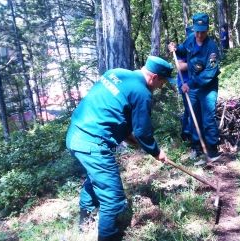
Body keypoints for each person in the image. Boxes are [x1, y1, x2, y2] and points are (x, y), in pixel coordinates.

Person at [66, 56, 173, 241]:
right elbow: (143, 132)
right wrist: (157, 152)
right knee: (113, 199)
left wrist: (134, 140)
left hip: (75, 135)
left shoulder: (116, 73)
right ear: (154, 77)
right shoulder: (143, 93)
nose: (161, 86)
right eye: (162, 82)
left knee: (96, 179)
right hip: (93, 143)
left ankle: (85, 226)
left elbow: (112, 111)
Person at [168, 13, 221, 164]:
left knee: (208, 117)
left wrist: (189, 84)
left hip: (207, 87)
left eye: (202, 31)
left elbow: (209, 73)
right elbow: (183, 50)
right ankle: (197, 147)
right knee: (193, 115)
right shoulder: (191, 39)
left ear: (207, 29)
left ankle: (211, 149)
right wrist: (175, 48)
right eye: (197, 31)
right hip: (192, 86)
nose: (199, 34)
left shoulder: (211, 48)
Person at [177, 26, 194, 142]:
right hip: (185, 83)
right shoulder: (183, 48)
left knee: (194, 109)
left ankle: (193, 133)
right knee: (189, 109)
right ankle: (186, 134)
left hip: (196, 83)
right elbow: (180, 66)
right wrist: (197, 64)